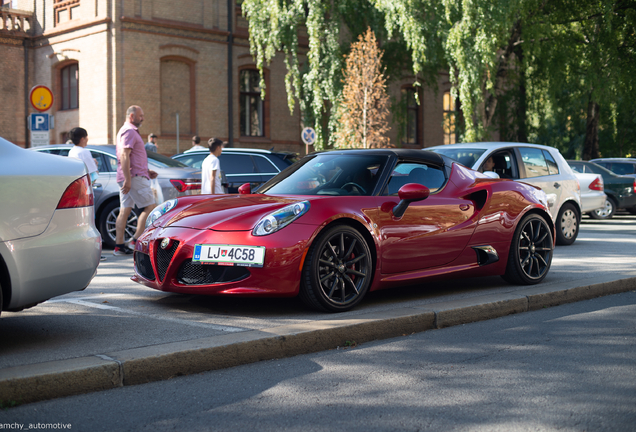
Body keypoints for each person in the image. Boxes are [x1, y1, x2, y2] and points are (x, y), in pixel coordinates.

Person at [114, 105, 158, 256]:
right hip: (133, 177)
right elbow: (125, 155)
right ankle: (135, 241)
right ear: (132, 116)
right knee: (151, 207)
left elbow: (130, 156)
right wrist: (128, 179)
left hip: (132, 175)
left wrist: (146, 171)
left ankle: (119, 246)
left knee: (125, 210)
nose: (143, 118)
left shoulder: (125, 130)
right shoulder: (130, 131)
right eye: (141, 115)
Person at [68, 127, 106, 261]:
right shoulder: (84, 152)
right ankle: (93, 253)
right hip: (86, 193)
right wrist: (95, 164)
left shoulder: (72, 151)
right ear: (83, 138)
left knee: (77, 224)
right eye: (87, 137)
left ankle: (77, 253)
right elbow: (94, 176)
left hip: (74, 193)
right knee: (90, 223)